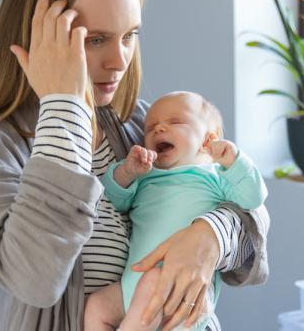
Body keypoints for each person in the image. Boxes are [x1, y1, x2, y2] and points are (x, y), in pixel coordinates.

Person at [0, 0, 270, 330]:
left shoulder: (138, 124)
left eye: (130, 35)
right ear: (37, 39)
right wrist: (63, 107)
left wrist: (209, 236)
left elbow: (252, 232)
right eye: (95, 40)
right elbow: (35, 280)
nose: (119, 60)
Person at [84, 91, 268, 331]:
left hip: (179, 291)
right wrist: (127, 173)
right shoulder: (145, 175)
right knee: (97, 306)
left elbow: (252, 199)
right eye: (150, 128)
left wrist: (235, 162)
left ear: (207, 140)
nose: (158, 129)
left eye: (175, 122)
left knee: (153, 281)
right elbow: (113, 201)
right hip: (130, 287)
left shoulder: (215, 177)